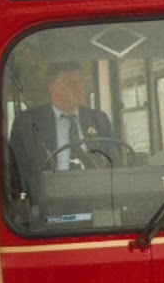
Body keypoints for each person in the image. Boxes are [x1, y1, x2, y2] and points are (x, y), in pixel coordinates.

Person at [9, 62, 119, 203]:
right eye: (72, 83)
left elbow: (115, 161)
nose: (80, 88)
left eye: (81, 83)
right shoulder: (27, 123)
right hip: (49, 205)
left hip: (98, 199)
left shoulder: (98, 119)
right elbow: (15, 172)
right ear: (53, 88)